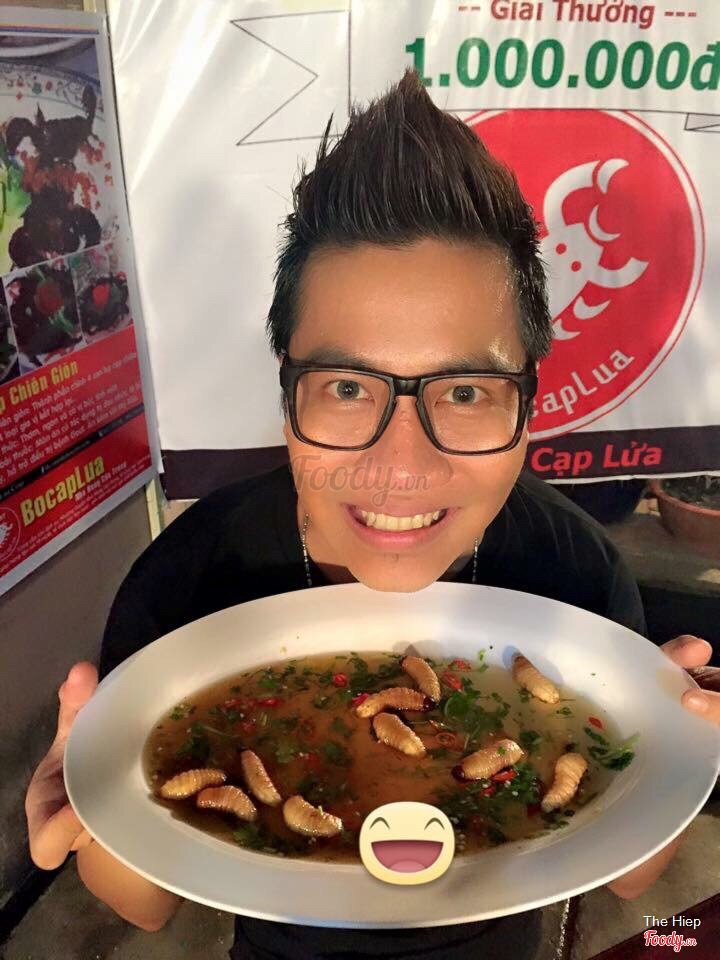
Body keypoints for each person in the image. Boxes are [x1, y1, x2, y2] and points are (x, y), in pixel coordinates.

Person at [25, 69, 720, 960]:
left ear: (529, 407)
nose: (401, 467)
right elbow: (148, 906)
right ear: (288, 395)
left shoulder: (576, 569)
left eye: (464, 391)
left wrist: (673, 758)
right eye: (349, 388)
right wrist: (90, 810)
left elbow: (626, 877)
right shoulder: (190, 575)